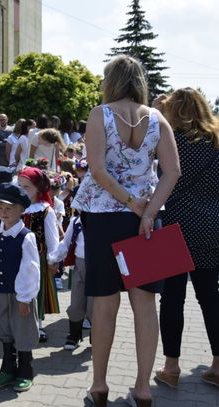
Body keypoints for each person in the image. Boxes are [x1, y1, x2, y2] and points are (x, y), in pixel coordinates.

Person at [71, 55, 180, 407]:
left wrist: (131, 202)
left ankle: (99, 386)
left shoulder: (99, 114)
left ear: (111, 80)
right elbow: (172, 171)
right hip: (147, 217)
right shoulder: (158, 117)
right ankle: (143, 389)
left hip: (104, 215)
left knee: (104, 303)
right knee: (145, 304)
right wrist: (147, 210)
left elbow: (99, 170)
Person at [154, 88, 219, 389]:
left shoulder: (172, 142)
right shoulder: (217, 141)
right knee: (210, 297)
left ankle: (171, 367)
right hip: (211, 227)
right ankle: (218, 365)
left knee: (172, 298)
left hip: (176, 227)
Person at [0, 183, 40, 392]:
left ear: (21, 210)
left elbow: (30, 269)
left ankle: (25, 370)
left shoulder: (26, 236)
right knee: (4, 329)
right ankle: (7, 369)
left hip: (19, 293)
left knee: (22, 330)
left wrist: (25, 297)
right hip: (1, 291)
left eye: (8, 208)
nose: (3, 213)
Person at [18, 167, 60, 342]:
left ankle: (39, 325)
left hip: (38, 257)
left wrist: (53, 260)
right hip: (19, 256)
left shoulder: (45, 210)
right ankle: (19, 323)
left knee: (38, 290)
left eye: (26, 187)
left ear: (37, 188)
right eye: (20, 186)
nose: (22, 190)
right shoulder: (17, 207)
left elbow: (53, 238)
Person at [48, 212, 92, 351]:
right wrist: (54, 258)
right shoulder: (76, 222)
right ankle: (74, 334)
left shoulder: (107, 220)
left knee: (94, 307)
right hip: (80, 266)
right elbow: (66, 243)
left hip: (100, 267)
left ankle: (96, 335)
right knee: (76, 303)